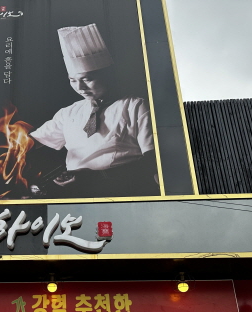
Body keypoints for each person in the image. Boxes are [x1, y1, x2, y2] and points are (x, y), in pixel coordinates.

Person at [29, 23, 159, 198]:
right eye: (73, 80)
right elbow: (31, 141)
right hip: (74, 192)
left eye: (87, 79)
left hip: (122, 189)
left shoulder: (134, 106)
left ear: (107, 75)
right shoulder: (69, 113)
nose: (80, 87)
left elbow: (152, 160)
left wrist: (94, 178)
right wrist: (17, 144)